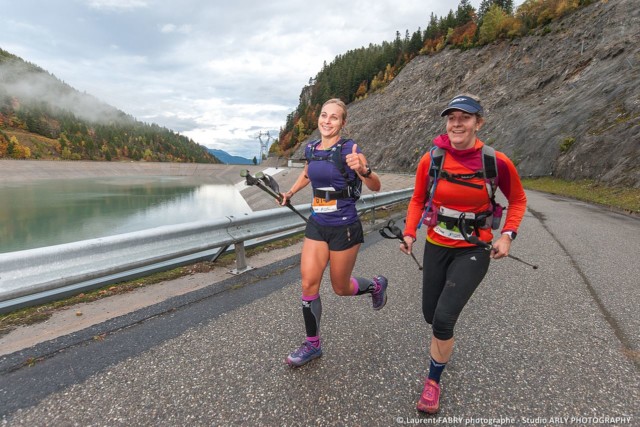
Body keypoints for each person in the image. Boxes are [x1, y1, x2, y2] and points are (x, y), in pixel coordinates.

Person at [401, 94, 527, 413]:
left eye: (465, 117)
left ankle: (433, 383)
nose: (457, 123)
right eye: (452, 117)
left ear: (478, 123)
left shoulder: (495, 161)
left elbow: (519, 200)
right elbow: (417, 200)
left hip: (474, 249)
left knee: (443, 320)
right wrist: (409, 232)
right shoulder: (432, 159)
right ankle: (442, 347)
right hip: (436, 245)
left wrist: (508, 236)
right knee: (430, 315)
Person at [279, 98, 388, 367]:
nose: (327, 121)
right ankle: (312, 345)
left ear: (343, 122)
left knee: (340, 287)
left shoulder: (351, 149)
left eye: (334, 117)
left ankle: (375, 285)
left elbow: (375, 186)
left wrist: (364, 170)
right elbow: (308, 172)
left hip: (344, 227)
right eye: (323, 115)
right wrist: (290, 192)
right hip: (318, 224)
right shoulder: (312, 147)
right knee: (308, 284)